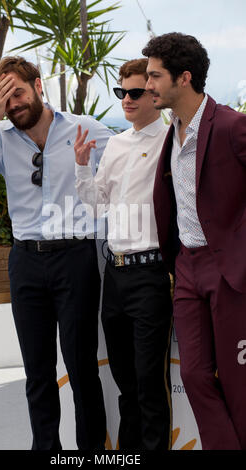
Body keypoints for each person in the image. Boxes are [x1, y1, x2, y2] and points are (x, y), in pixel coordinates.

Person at [0, 56, 114, 450]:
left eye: (17, 93)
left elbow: (127, 167)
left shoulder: (86, 128)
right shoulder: (2, 139)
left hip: (75, 259)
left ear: (38, 86)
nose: (13, 104)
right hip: (26, 262)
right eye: (3, 99)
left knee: (81, 367)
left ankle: (92, 452)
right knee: (37, 371)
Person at [143, 32, 246, 450]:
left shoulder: (232, 126)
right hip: (186, 267)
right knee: (194, 375)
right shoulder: (172, 133)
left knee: (239, 384)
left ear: (183, 78)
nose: (148, 85)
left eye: (154, 76)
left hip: (230, 270)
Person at [74, 58, 173, 450]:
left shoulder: (172, 139)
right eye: (121, 92)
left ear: (153, 94)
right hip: (114, 276)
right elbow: (97, 205)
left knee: (150, 385)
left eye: (135, 92)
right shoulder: (114, 143)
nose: (126, 100)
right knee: (126, 384)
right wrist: (82, 167)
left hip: (152, 274)